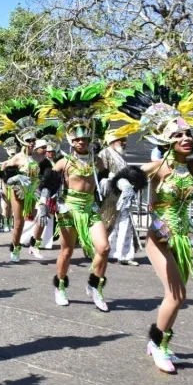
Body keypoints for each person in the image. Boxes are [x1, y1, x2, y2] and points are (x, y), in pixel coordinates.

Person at [107, 74, 193, 373]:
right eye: (178, 136)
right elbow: (128, 175)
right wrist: (126, 187)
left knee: (176, 297)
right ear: (165, 140)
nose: (185, 138)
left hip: (182, 235)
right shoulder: (159, 167)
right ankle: (157, 344)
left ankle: (162, 343)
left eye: (187, 134)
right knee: (177, 295)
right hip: (160, 235)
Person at [37, 83, 144, 312]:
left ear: (90, 139)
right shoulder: (64, 162)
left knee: (104, 248)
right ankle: (61, 286)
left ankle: (94, 286)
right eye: (77, 140)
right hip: (69, 209)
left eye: (84, 139)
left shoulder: (98, 161)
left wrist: (125, 186)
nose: (81, 142)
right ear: (71, 141)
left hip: (90, 209)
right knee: (66, 251)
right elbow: (48, 184)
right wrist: (43, 206)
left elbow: (112, 178)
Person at [0, 99, 50, 263]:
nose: (32, 143)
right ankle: (15, 247)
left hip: (34, 190)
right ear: (21, 140)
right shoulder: (16, 158)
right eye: (29, 140)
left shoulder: (40, 157)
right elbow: (3, 176)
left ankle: (35, 245)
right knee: (18, 223)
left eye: (34, 140)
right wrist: (15, 177)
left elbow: (49, 174)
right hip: (19, 192)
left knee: (42, 216)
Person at [98, 134, 140, 266]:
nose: (124, 143)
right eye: (121, 140)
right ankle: (105, 251)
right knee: (108, 223)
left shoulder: (120, 155)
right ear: (113, 141)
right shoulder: (104, 153)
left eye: (125, 140)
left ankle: (125, 254)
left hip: (123, 194)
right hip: (110, 194)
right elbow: (100, 174)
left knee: (124, 223)